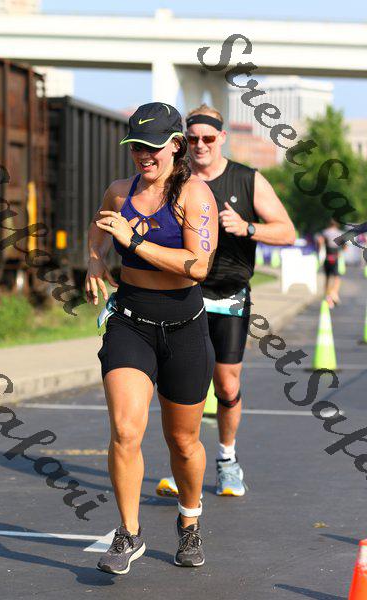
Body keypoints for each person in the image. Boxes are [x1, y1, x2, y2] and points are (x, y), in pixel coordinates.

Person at [85, 102, 218, 574]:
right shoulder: (120, 192)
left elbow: (198, 266)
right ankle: (129, 532)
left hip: (185, 329)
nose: (144, 155)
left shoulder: (195, 196)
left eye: (153, 147)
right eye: (136, 146)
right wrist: (95, 259)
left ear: (176, 146)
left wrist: (135, 242)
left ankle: (189, 522)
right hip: (131, 323)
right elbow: (100, 227)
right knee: (125, 430)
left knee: (183, 442)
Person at [156, 104, 296, 499]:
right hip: (186, 293)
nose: (200, 145)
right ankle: (185, 463)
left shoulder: (247, 179)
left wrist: (247, 227)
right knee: (186, 384)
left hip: (231, 295)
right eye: (192, 139)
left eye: (207, 138)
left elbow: (287, 231)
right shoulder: (175, 178)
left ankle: (227, 459)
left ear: (222, 138)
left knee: (227, 384)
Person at [316, 219, 346, 308]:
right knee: (337, 277)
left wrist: (320, 249)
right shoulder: (339, 233)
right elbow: (345, 247)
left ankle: (327, 296)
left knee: (327, 278)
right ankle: (334, 293)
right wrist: (341, 251)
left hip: (327, 257)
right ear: (337, 225)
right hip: (335, 257)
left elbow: (319, 241)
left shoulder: (324, 232)